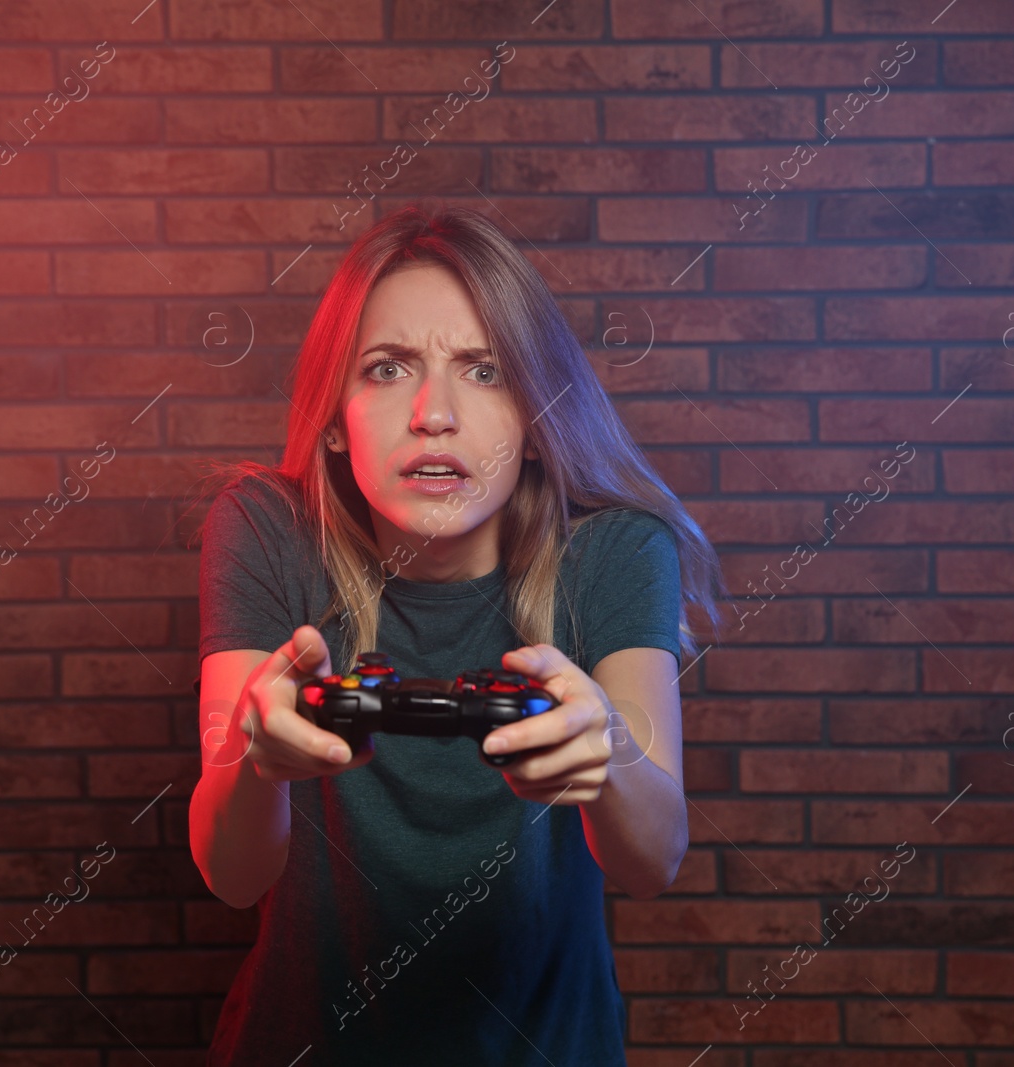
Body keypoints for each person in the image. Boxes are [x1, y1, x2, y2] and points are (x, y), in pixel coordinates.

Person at [188, 201, 725, 1066]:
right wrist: (255, 759)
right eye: (388, 367)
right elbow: (232, 872)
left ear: (538, 424)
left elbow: (652, 859)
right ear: (333, 416)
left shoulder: (614, 551)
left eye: (484, 371)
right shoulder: (266, 530)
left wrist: (612, 753)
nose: (433, 413)